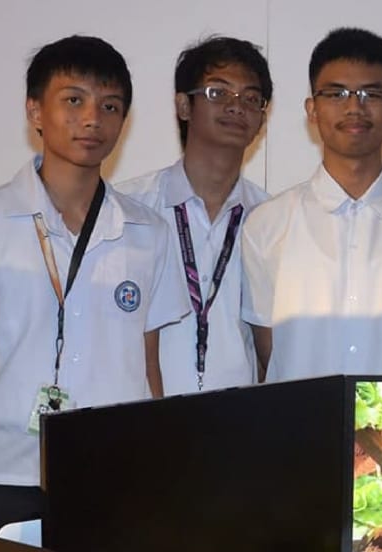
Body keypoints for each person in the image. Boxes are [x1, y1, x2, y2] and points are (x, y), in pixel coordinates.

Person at [0, 35, 189, 534]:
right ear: (35, 112)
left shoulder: (148, 232)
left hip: (118, 475)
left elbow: (147, 361)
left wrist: (159, 467)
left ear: (123, 122)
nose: (92, 118)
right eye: (73, 100)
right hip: (9, 474)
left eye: (109, 106)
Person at [240, 27, 382, 382]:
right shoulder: (267, 224)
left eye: (371, 94)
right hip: (298, 430)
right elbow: (266, 351)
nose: (354, 107)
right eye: (336, 93)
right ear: (312, 109)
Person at [119, 36, 273, 395]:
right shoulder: (129, 210)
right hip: (139, 427)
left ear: (262, 118)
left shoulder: (272, 220)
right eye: (218, 93)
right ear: (183, 106)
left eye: (251, 99)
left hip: (239, 429)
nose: (236, 107)